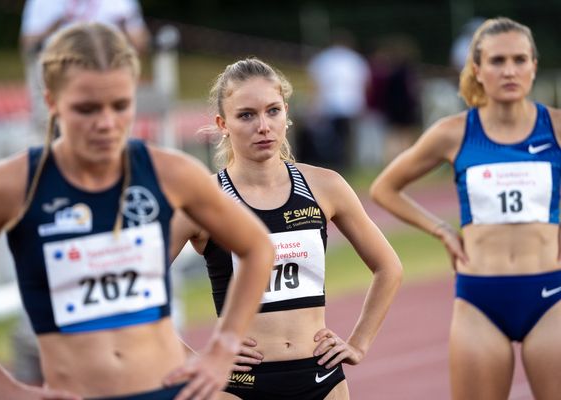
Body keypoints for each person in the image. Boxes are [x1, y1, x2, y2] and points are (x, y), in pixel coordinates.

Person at [0, 23, 275, 400]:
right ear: (52, 102)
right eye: (86, 109)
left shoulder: (169, 172)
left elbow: (258, 247)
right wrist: (0, 388)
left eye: (120, 105)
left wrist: (224, 346)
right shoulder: (10, 186)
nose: (106, 123)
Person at [171, 58, 402, 399]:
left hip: (323, 380)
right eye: (246, 115)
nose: (263, 126)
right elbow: (135, 295)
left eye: (273, 111)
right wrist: (195, 360)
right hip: (240, 386)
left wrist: (359, 343)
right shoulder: (203, 200)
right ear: (223, 123)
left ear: (287, 113)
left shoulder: (326, 186)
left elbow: (389, 267)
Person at [370, 17, 561, 399]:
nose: (509, 70)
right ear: (477, 69)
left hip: (551, 296)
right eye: (497, 61)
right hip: (479, 300)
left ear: (534, 66)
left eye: (520, 60)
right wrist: (440, 228)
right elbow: (384, 188)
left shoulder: (555, 127)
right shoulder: (453, 132)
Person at [20, 0, 151, 131]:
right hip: (61, 74)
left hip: (109, 76)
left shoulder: (121, 4)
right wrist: (55, 25)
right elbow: (28, 43)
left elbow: (141, 45)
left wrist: (125, 26)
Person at [306, 29, 371, 170]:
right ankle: (346, 162)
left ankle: (337, 162)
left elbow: (316, 84)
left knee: (333, 137)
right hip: (350, 103)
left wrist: (314, 104)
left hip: (331, 104)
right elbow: (364, 83)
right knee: (347, 136)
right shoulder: (355, 59)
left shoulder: (324, 59)